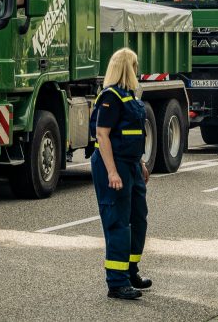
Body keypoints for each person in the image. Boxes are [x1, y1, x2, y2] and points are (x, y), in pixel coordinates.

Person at [90, 48, 152, 300]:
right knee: (118, 221)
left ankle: (130, 271)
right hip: (113, 165)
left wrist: (141, 164)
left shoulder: (129, 95)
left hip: (132, 165)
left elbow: (134, 135)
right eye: (135, 65)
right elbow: (102, 135)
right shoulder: (110, 96)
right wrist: (112, 172)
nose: (137, 69)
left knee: (138, 218)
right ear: (128, 67)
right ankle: (116, 283)